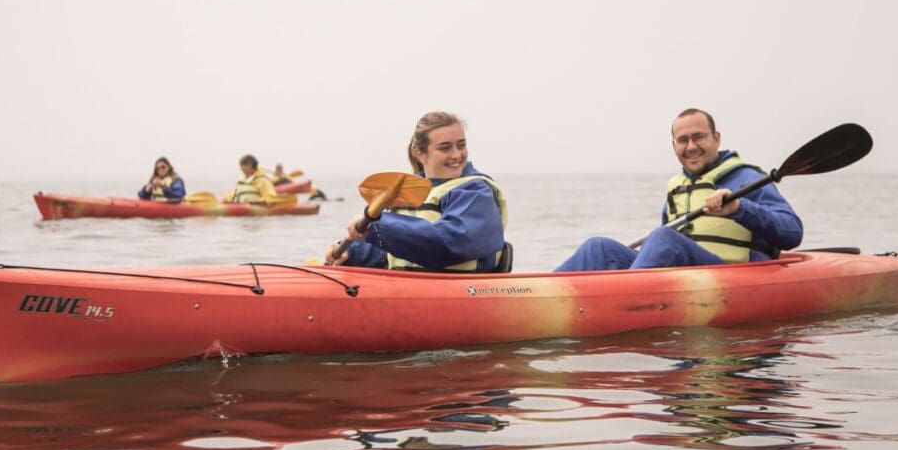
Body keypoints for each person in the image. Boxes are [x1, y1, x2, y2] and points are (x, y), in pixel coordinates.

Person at [555, 108, 803, 271]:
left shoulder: (748, 179)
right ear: (674, 146)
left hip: (729, 276)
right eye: (683, 140)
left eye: (699, 137)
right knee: (597, 247)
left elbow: (792, 233)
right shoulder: (677, 188)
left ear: (716, 138)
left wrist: (740, 208)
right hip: (682, 278)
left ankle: (620, 299)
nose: (691, 146)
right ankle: (538, 293)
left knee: (663, 238)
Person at [323, 111, 508, 271]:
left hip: (461, 291)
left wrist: (377, 227)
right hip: (410, 288)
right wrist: (350, 253)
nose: (457, 154)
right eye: (445, 148)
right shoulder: (405, 194)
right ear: (420, 153)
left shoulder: (475, 192)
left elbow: (453, 243)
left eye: (461, 145)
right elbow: (391, 253)